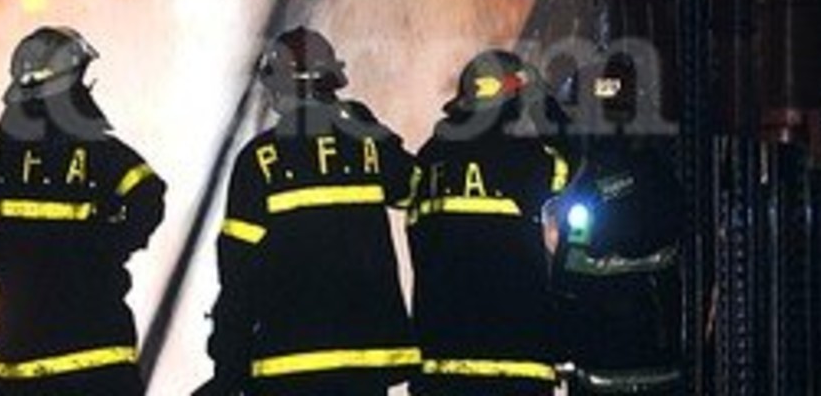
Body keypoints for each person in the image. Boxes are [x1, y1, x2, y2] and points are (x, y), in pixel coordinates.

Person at [0, 25, 167, 396]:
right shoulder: (100, 154)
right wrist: (103, 250)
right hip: (93, 353)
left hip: (12, 352)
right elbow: (149, 196)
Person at [197, 27, 419, 396]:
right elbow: (416, 188)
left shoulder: (259, 160)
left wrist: (228, 363)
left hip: (289, 362)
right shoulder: (368, 145)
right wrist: (374, 132)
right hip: (365, 364)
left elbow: (238, 274)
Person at [407, 49, 571, 396]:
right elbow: (576, 159)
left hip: (441, 361)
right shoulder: (527, 159)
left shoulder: (429, 158)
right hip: (515, 358)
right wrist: (541, 103)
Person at [543, 54, 683, 395]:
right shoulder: (661, 171)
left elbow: (569, 269)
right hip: (656, 344)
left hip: (601, 349)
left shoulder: (593, 183)